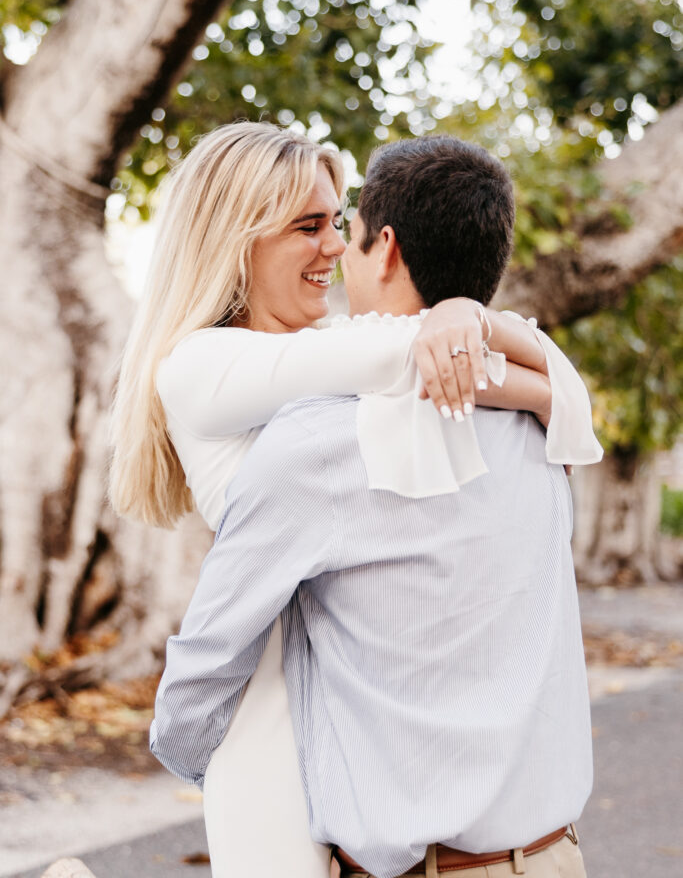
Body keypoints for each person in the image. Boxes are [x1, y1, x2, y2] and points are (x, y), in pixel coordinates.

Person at [143, 129, 600, 877]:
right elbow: (390, 351)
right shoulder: (213, 366)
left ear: (382, 249)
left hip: (366, 786)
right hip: (282, 738)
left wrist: (479, 333)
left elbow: (192, 684)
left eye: (338, 227)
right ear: (234, 237)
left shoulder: (330, 419)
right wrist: (479, 329)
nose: (330, 248)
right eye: (307, 225)